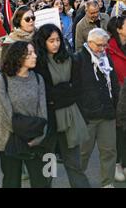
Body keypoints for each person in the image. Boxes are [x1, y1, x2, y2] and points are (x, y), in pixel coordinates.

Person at [33, 24, 91, 188]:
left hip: (70, 119)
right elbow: (44, 93)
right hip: (49, 123)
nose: (56, 44)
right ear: (43, 42)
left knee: (74, 165)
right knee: (48, 168)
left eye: (58, 40)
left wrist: (60, 93)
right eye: (51, 40)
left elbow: (78, 89)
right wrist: (64, 90)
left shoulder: (70, 59)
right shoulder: (37, 63)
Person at [0, 41, 49, 188]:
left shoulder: (37, 79)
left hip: (34, 140)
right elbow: (5, 117)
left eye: (34, 52)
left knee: (41, 182)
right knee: (12, 182)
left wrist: (39, 137)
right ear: (18, 57)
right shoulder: (1, 81)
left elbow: (43, 114)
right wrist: (26, 137)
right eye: (29, 54)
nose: (35, 56)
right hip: (8, 140)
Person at [74, 28, 120, 188]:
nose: (103, 49)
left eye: (105, 45)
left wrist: (116, 107)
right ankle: (78, 181)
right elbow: (75, 88)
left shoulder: (107, 58)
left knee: (109, 151)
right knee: (83, 152)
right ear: (90, 43)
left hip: (107, 113)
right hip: (87, 115)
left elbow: (114, 83)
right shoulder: (79, 59)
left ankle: (107, 183)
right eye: (100, 45)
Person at [106, 16, 126, 182]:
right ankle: (117, 164)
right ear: (119, 29)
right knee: (119, 131)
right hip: (118, 96)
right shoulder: (108, 48)